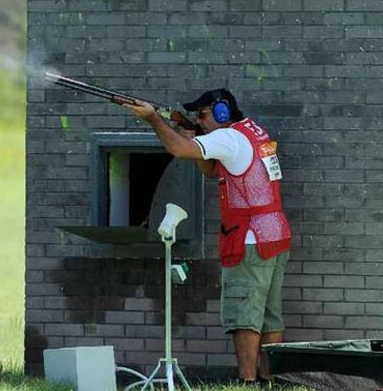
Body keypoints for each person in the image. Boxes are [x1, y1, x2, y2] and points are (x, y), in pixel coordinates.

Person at [121, 88, 291, 383]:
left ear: (223, 112)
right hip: (274, 234)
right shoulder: (250, 131)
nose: (198, 121)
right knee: (268, 315)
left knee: (244, 315)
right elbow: (213, 170)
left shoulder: (226, 137)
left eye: (202, 115)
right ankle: (269, 381)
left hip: (249, 240)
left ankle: (247, 382)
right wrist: (193, 135)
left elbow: (177, 151)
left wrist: (153, 120)